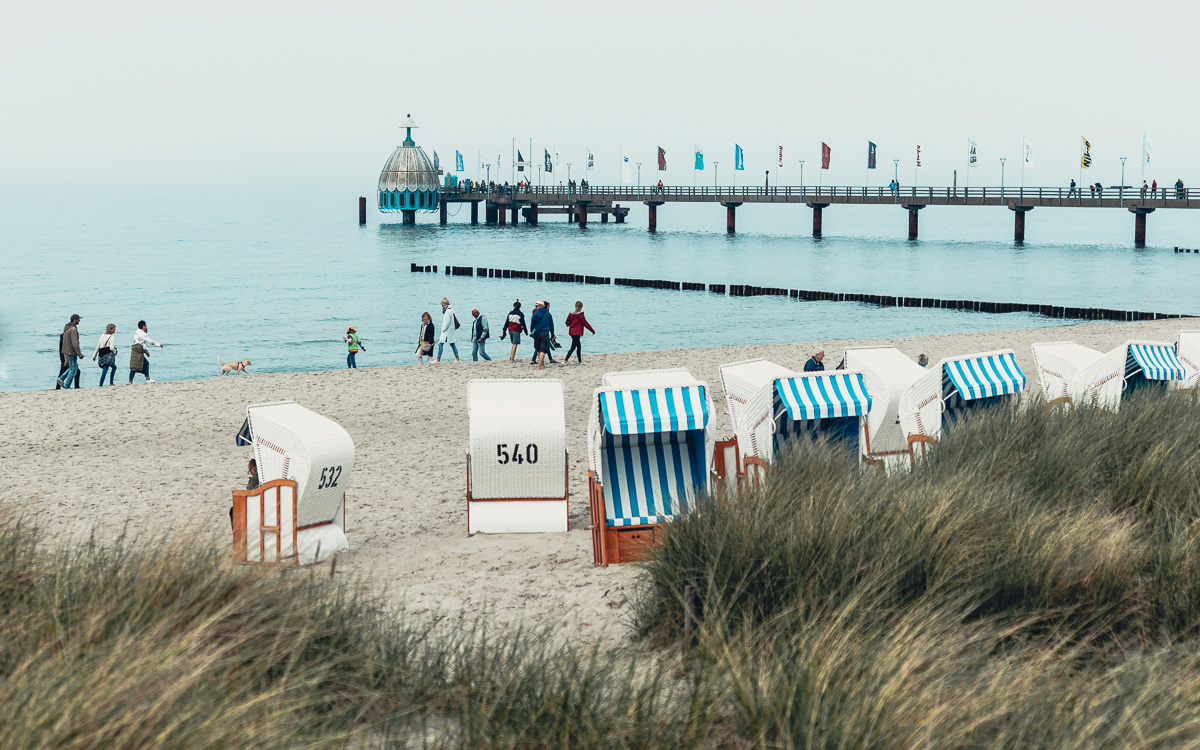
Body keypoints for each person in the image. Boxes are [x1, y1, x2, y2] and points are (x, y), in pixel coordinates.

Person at [128, 320, 163, 384]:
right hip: (138, 351)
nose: (146, 327)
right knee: (145, 364)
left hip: (134, 350)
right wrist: (159, 345)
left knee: (134, 366)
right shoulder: (142, 334)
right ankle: (147, 379)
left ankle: (131, 381)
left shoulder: (136, 332)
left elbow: (143, 341)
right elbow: (150, 341)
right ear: (143, 326)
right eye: (146, 326)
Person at [57, 314, 84, 390]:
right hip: (71, 351)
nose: (79, 321)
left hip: (66, 350)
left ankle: (61, 378)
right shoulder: (73, 329)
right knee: (73, 369)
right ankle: (67, 385)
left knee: (74, 368)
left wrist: (64, 352)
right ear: (74, 319)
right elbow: (75, 343)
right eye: (78, 319)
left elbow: (64, 341)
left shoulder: (66, 328)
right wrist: (79, 354)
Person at [564, 301, 595, 365]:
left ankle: (580, 361)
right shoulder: (580, 315)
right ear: (581, 307)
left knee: (578, 346)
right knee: (573, 347)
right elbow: (585, 324)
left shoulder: (570, 314)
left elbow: (566, 322)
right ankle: (565, 360)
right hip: (577, 333)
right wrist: (592, 330)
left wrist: (570, 323)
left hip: (571, 332)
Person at [529, 300, 554, 370]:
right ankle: (540, 365)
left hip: (537, 333)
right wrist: (552, 335)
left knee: (538, 348)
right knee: (543, 350)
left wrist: (532, 332)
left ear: (540, 306)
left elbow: (532, 325)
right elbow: (552, 326)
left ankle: (540, 365)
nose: (536, 307)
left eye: (536, 306)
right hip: (546, 333)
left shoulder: (536, 314)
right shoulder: (548, 314)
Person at [435, 297, 460, 362]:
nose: (441, 305)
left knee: (440, 343)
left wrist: (443, 329)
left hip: (447, 331)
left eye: (442, 304)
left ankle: (438, 359)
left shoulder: (448, 311)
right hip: (451, 330)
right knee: (452, 343)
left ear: (444, 304)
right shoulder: (451, 309)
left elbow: (447, 322)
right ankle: (457, 358)